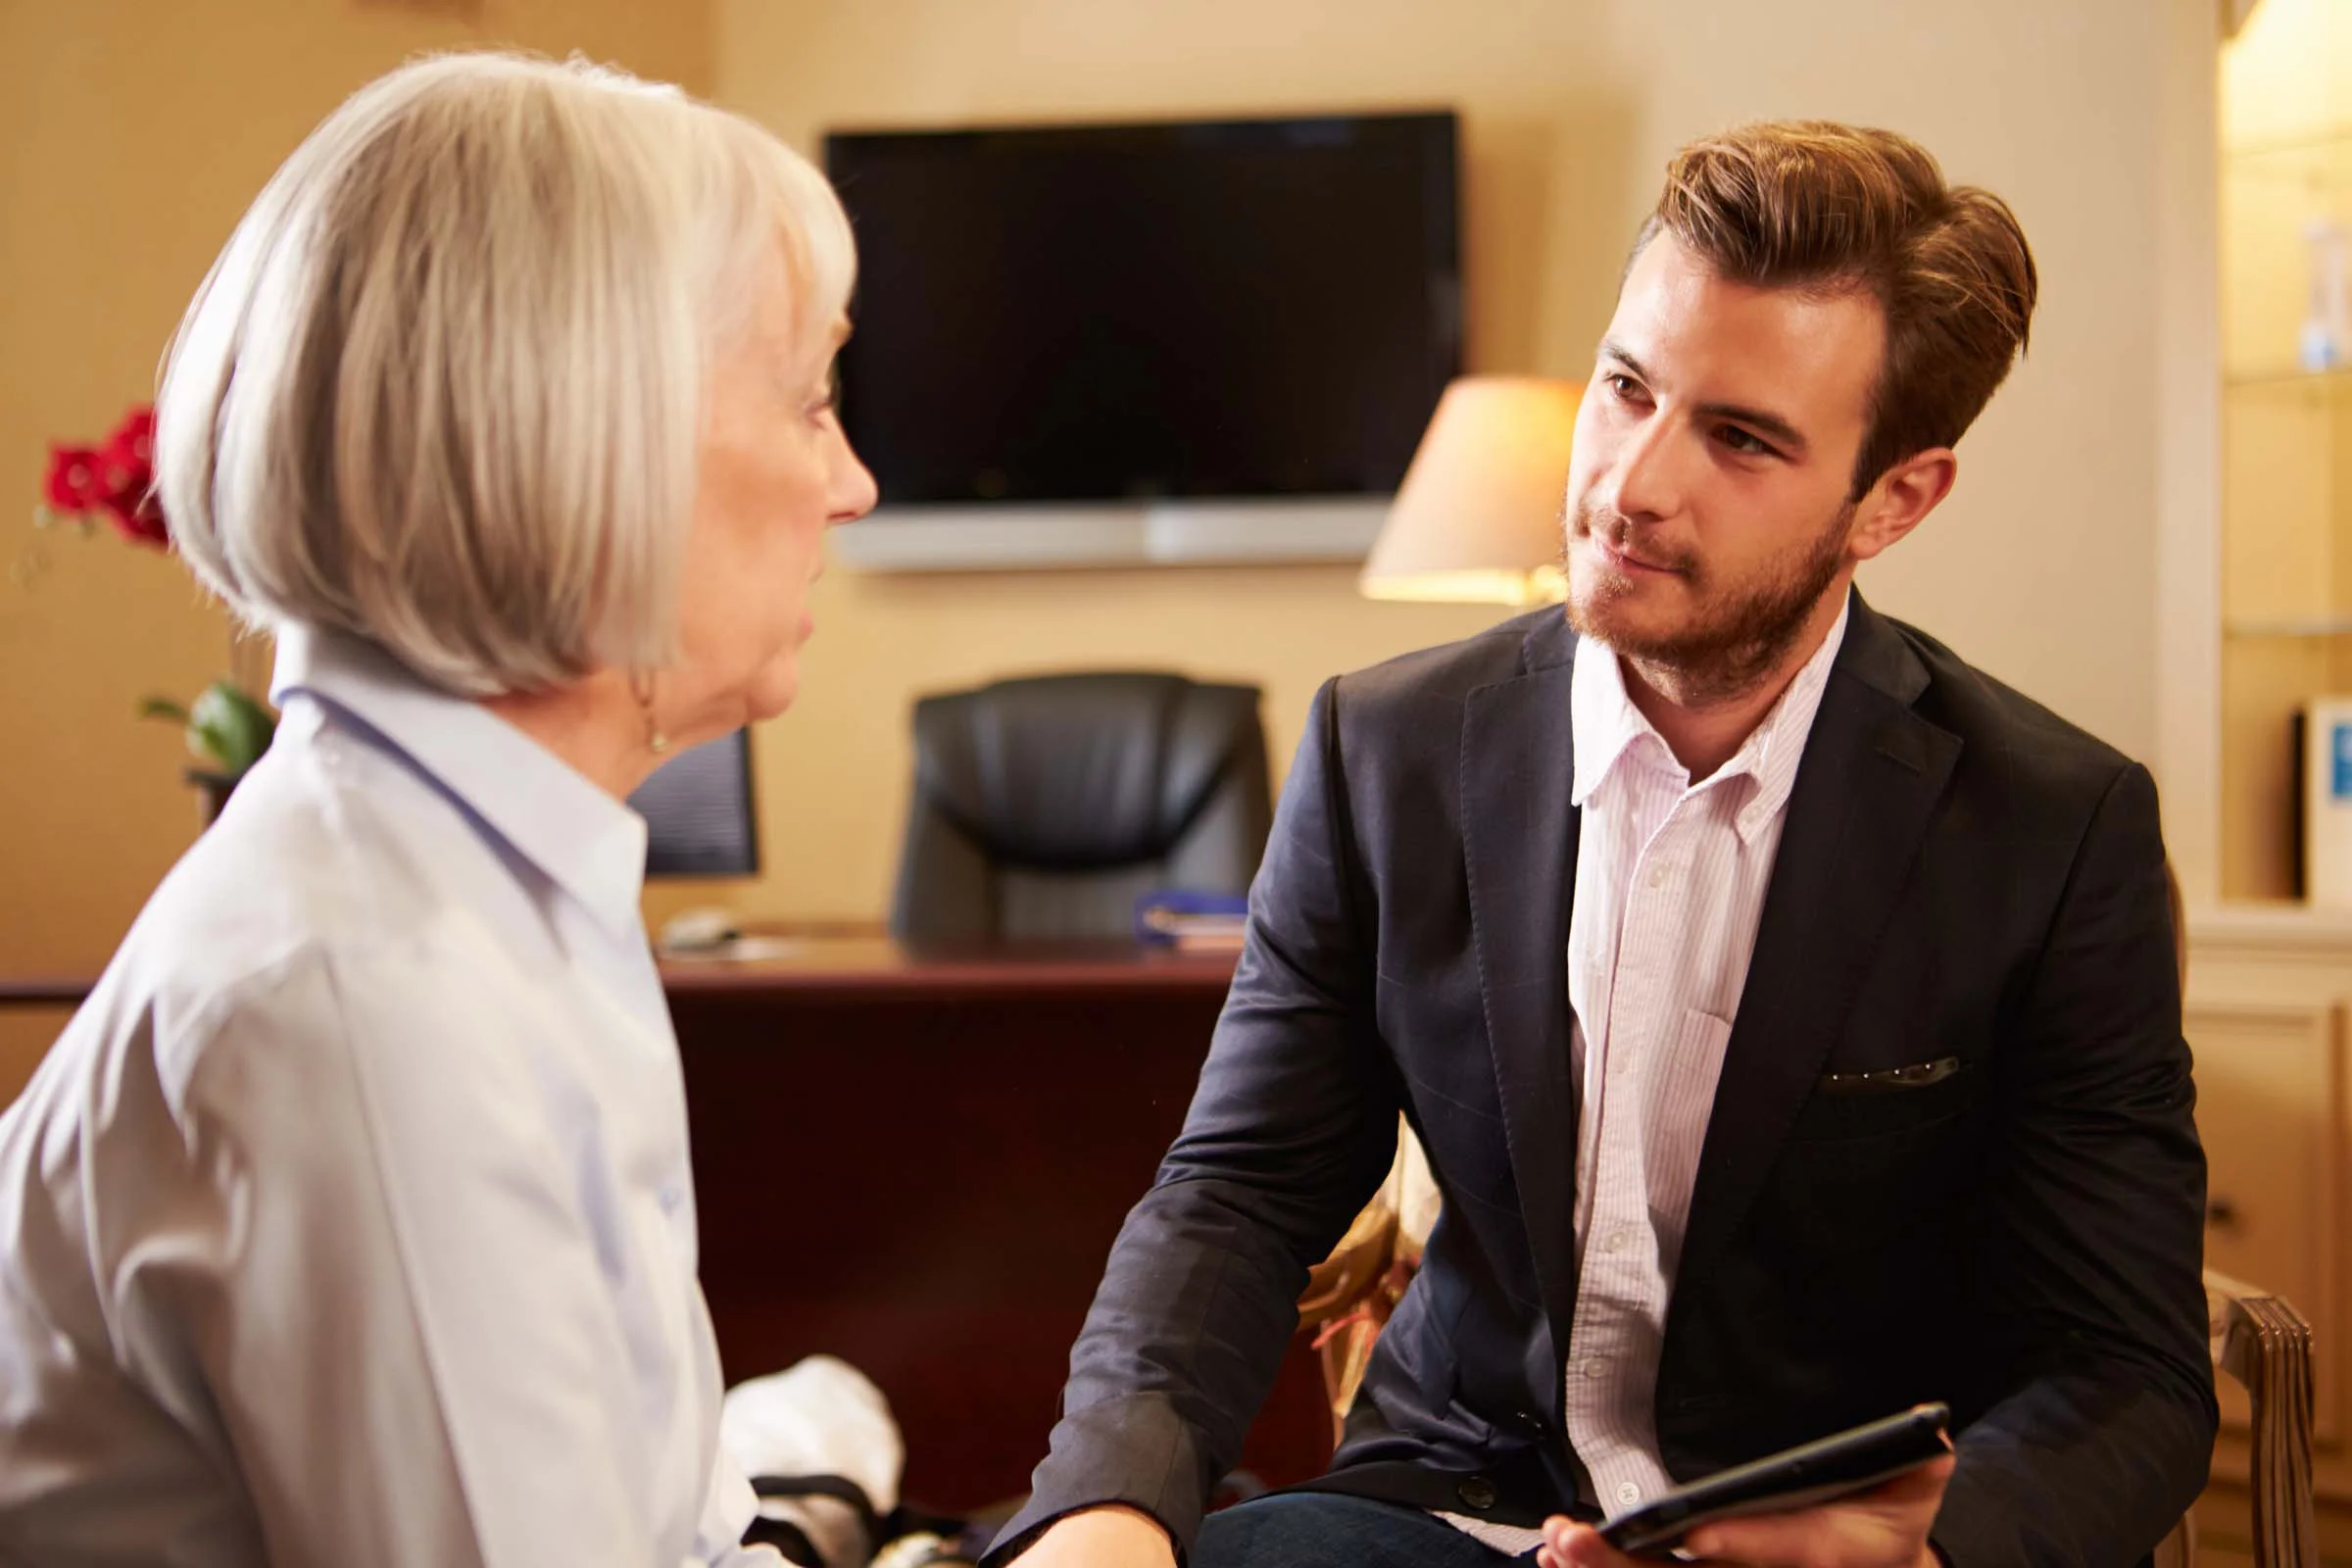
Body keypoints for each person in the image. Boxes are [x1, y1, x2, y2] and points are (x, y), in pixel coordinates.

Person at [990, 122, 2213, 1568]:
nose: (1631, 484)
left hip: (1813, 1538)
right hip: (1451, 1507)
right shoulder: (1383, 749)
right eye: (1627, 387)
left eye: (1741, 438)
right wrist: (1109, 1506)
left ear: (1894, 498)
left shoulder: (2051, 828)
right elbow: (1241, 1192)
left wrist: (1906, 1552)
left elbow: (2121, 1364)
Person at [0, 52, 876, 1565]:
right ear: (592, 443)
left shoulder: (470, 888)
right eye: (808, 403)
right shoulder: (365, 1002)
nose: (849, 484)